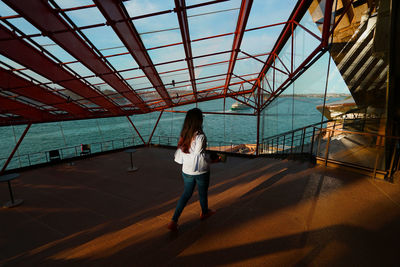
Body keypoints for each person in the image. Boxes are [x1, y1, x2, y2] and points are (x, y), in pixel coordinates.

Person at [167, 108, 215, 231]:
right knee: (202, 193)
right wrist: (214, 160)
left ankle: (174, 220)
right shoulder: (200, 137)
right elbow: (200, 156)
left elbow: (188, 153)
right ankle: (204, 212)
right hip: (201, 171)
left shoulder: (184, 135)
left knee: (186, 194)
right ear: (198, 120)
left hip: (186, 171)